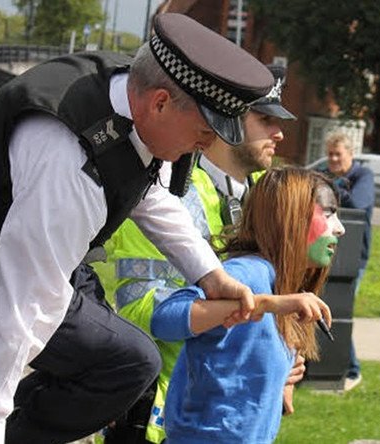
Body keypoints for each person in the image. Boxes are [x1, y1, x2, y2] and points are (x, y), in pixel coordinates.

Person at [0, 13, 280, 444]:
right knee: (123, 363)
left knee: (124, 361)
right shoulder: (68, 166)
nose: (207, 146)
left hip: (34, 239)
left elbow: (147, 195)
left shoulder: (133, 91)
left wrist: (212, 275)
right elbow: (20, 316)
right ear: (161, 103)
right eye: (205, 132)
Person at [101, 64, 297, 444]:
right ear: (226, 119)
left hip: (232, 421)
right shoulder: (167, 190)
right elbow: (138, 309)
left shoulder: (268, 197)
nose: (280, 132)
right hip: (163, 418)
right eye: (264, 118)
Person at [150, 167, 343, 444]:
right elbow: (165, 319)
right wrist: (264, 304)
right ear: (291, 217)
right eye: (328, 214)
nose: (339, 228)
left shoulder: (280, 281)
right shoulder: (247, 273)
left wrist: (281, 377)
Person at [321, 132, 375, 391]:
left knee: (340, 311)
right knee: (321, 306)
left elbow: (359, 204)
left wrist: (334, 187)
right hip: (323, 250)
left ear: (350, 155)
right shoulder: (325, 173)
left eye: (337, 154)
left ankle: (352, 369)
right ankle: (315, 367)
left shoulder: (363, 176)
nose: (332, 159)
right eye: (329, 154)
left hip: (354, 256)